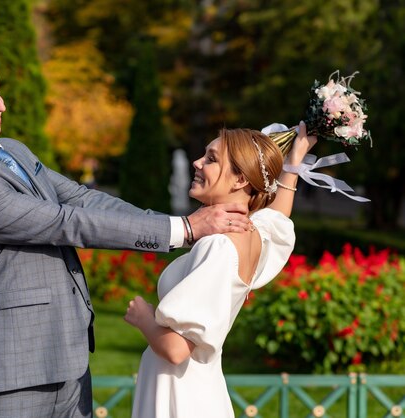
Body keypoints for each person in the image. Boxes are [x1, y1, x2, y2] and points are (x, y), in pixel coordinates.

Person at [0, 50, 251, 418]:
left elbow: (82, 198)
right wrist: (187, 229)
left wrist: (175, 224)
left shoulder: (12, 149)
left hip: (69, 362)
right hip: (11, 375)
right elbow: (66, 222)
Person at [124, 124, 316, 417]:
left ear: (240, 179)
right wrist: (293, 163)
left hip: (180, 397)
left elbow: (176, 349)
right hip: (200, 388)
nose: (197, 163)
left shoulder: (218, 247)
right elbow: (278, 216)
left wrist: (143, 317)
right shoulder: (251, 233)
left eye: (211, 159)